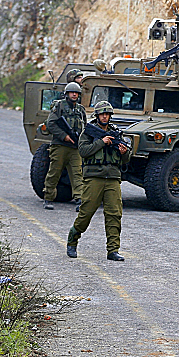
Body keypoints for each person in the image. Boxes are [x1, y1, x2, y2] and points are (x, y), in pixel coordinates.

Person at [67, 101, 132, 261]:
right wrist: (101, 142)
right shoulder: (89, 132)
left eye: (107, 114)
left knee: (114, 214)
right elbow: (83, 151)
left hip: (113, 179)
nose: (105, 116)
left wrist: (124, 153)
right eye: (102, 114)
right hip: (93, 178)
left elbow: (126, 159)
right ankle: (72, 241)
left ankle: (113, 250)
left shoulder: (116, 133)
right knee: (86, 213)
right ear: (97, 115)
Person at [43, 82, 86, 210]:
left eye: (76, 93)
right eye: (72, 92)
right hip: (60, 145)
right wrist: (64, 136)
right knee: (54, 172)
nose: (74, 95)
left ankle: (79, 199)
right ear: (67, 94)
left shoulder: (80, 109)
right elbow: (51, 124)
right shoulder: (59, 106)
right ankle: (48, 197)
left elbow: (84, 126)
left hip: (75, 147)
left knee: (77, 173)